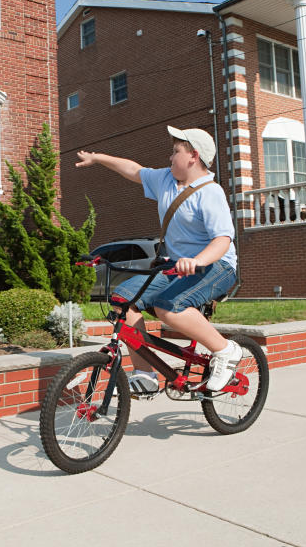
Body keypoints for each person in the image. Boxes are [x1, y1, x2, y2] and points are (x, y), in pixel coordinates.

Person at [76, 126, 241, 392]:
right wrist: (98, 159)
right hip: (177, 266)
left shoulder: (210, 192)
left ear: (193, 156)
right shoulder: (165, 179)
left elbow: (222, 239)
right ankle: (145, 375)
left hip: (216, 265)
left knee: (168, 308)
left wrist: (197, 261)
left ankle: (226, 350)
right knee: (122, 301)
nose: (170, 156)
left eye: (176, 151)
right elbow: (133, 170)